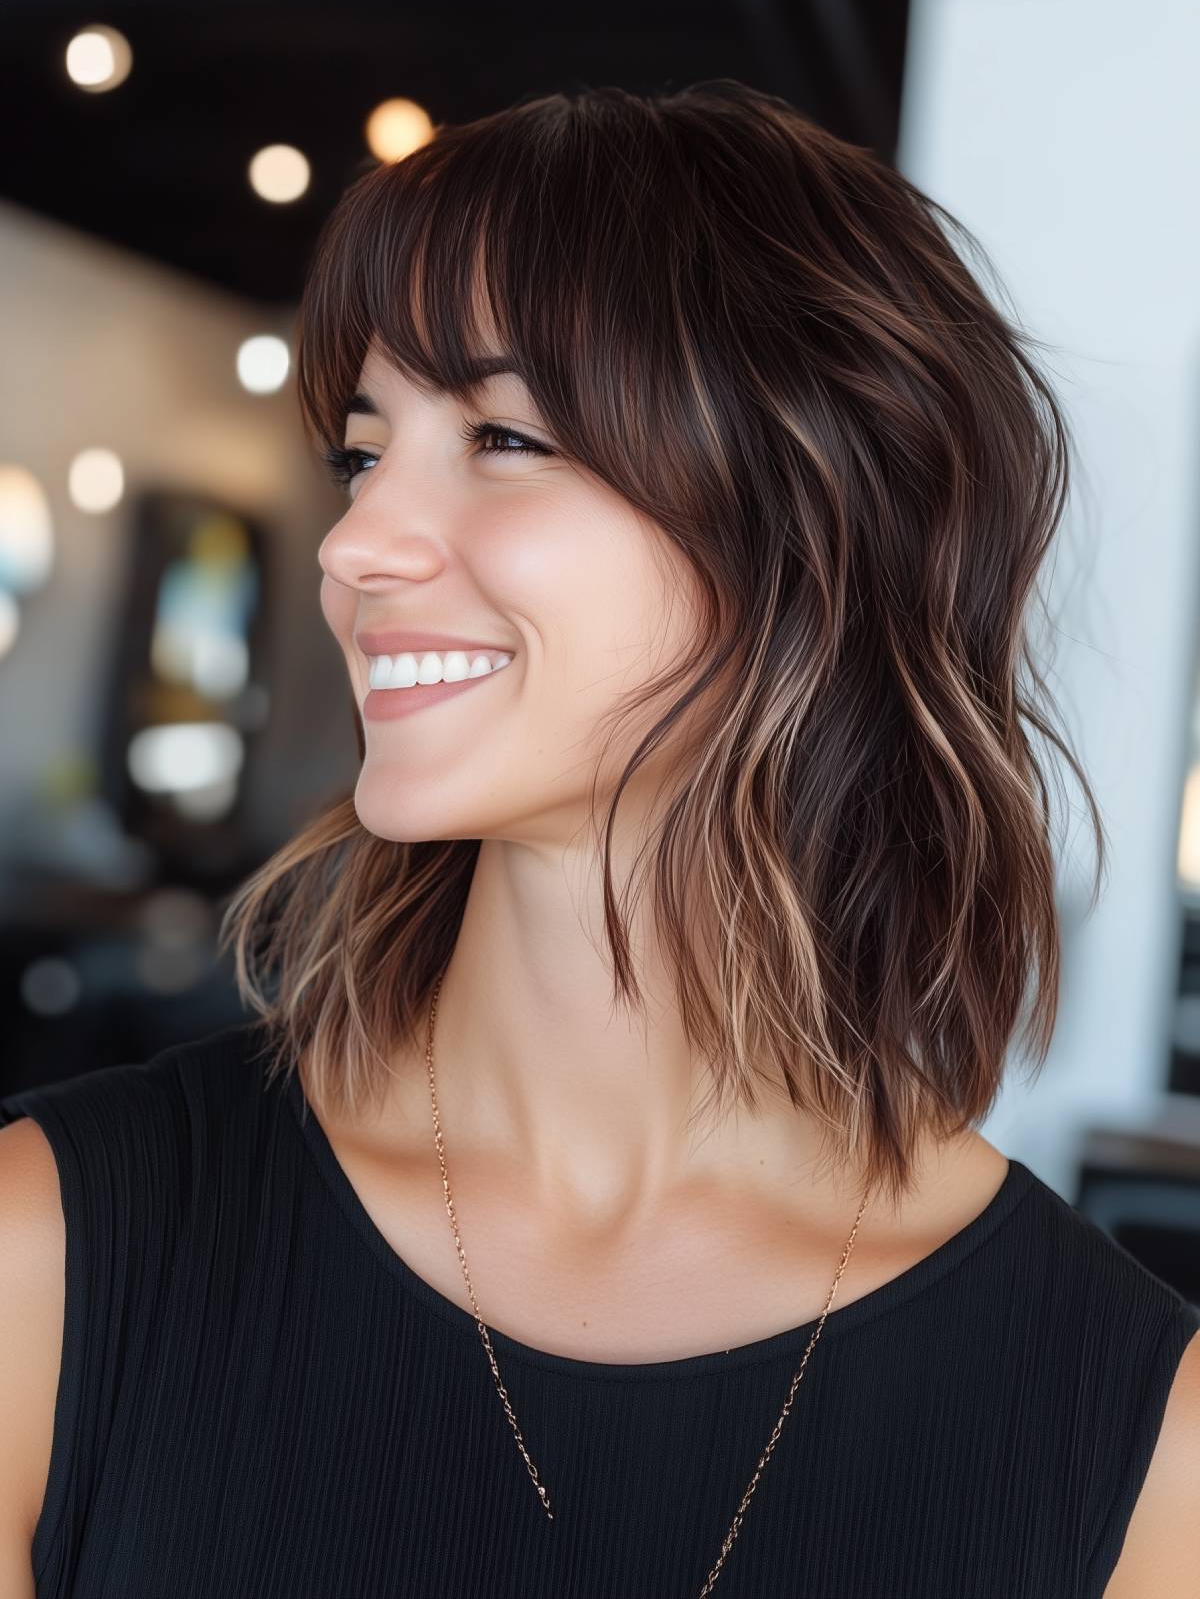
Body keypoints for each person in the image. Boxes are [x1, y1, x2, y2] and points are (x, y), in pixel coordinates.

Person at [1, 79, 1197, 1599]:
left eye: (503, 436)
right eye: (366, 451)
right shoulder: (48, 1258)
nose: (356, 543)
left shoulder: (1141, 1442)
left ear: (806, 532)